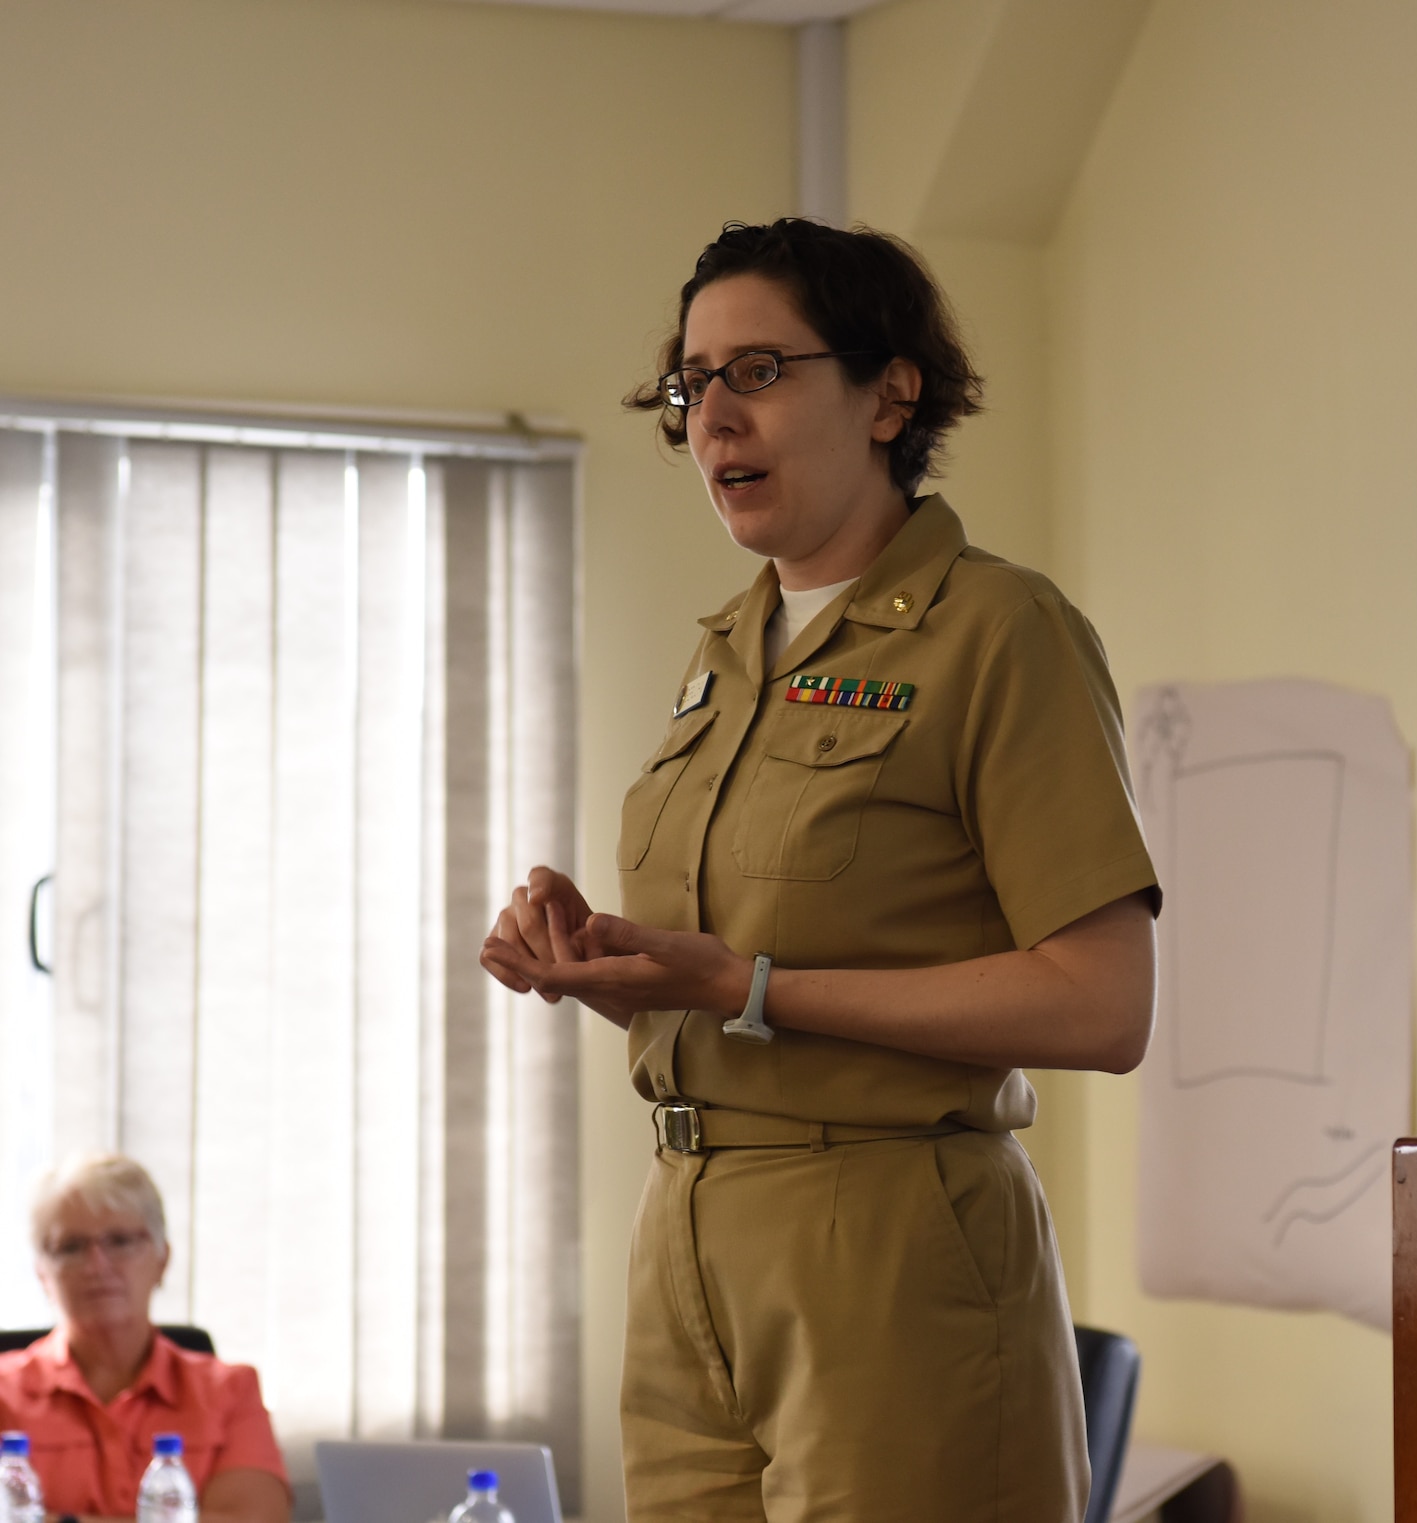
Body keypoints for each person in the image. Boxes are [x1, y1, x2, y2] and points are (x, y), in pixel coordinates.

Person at [480, 218, 1161, 1523]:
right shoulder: (726, 648)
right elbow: (731, 976)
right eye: (693, 384)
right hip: (685, 1226)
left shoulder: (1000, 631)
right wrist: (604, 966)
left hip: (890, 1236)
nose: (715, 419)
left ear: (890, 391)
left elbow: (1101, 1004)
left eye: (761, 371)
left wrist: (750, 982)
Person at [0, 1156, 290, 1523]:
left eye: (120, 1241)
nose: (97, 1265)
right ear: (42, 1272)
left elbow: (256, 1519)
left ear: (162, 1258)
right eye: (71, 1247)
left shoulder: (230, 1391)